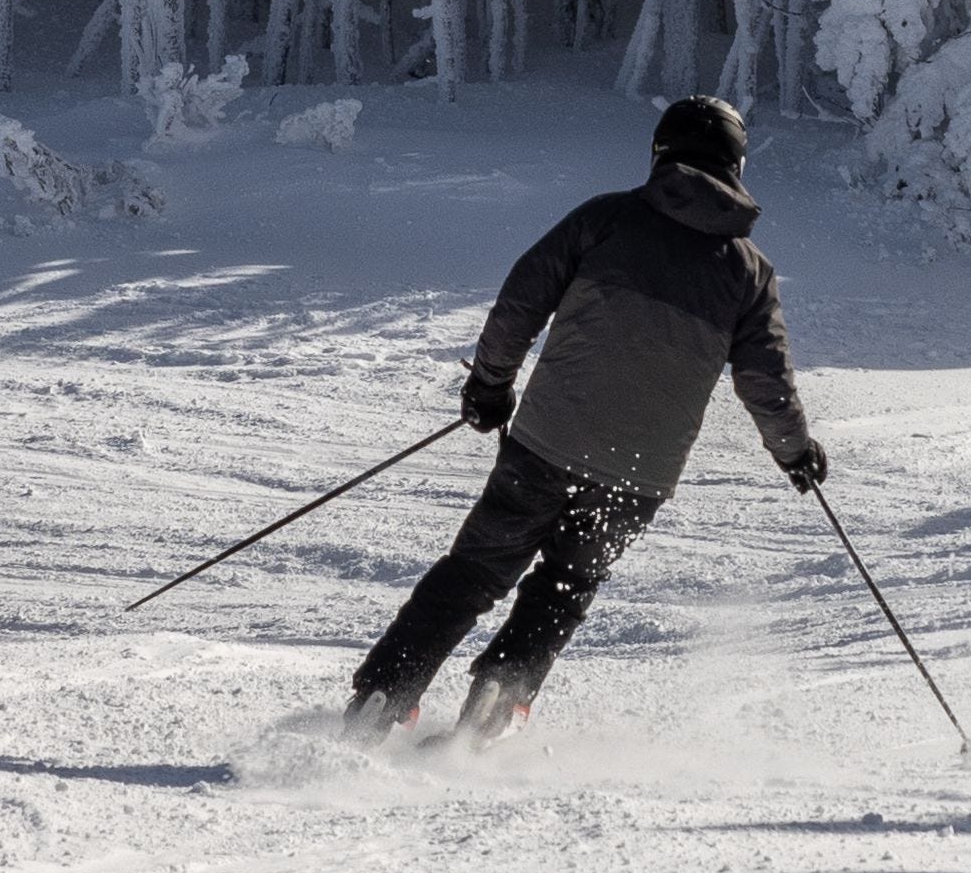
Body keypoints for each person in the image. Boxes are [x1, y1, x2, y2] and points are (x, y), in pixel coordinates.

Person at [349, 94, 829, 736]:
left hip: (546, 444)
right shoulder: (749, 273)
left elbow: (520, 302)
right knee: (564, 587)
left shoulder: (606, 219)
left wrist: (490, 386)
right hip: (638, 477)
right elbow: (766, 383)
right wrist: (794, 451)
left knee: (475, 571)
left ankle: (385, 695)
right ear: (736, 165)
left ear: (661, 151)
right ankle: (493, 711)